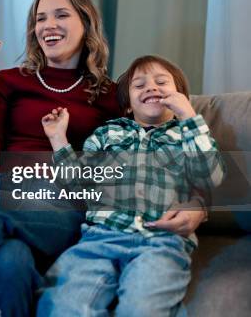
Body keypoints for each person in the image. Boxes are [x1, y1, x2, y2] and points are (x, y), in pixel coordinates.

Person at [0, 0, 208, 317]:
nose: (48, 25)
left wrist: (197, 204)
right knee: (11, 262)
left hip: (63, 201)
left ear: (86, 24)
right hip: (4, 190)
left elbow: (152, 148)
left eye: (61, 15)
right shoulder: (9, 81)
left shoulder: (109, 94)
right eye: (40, 18)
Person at [38, 55, 224, 316]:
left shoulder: (188, 134)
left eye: (161, 82)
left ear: (180, 97)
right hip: (99, 238)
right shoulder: (107, 134)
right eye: (140, 85)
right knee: (62, 305)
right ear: (126, 105)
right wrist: (58, 139)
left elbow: (211, 175)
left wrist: (189, 116)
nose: (151, 87)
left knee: (142, 308)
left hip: (161, 242)